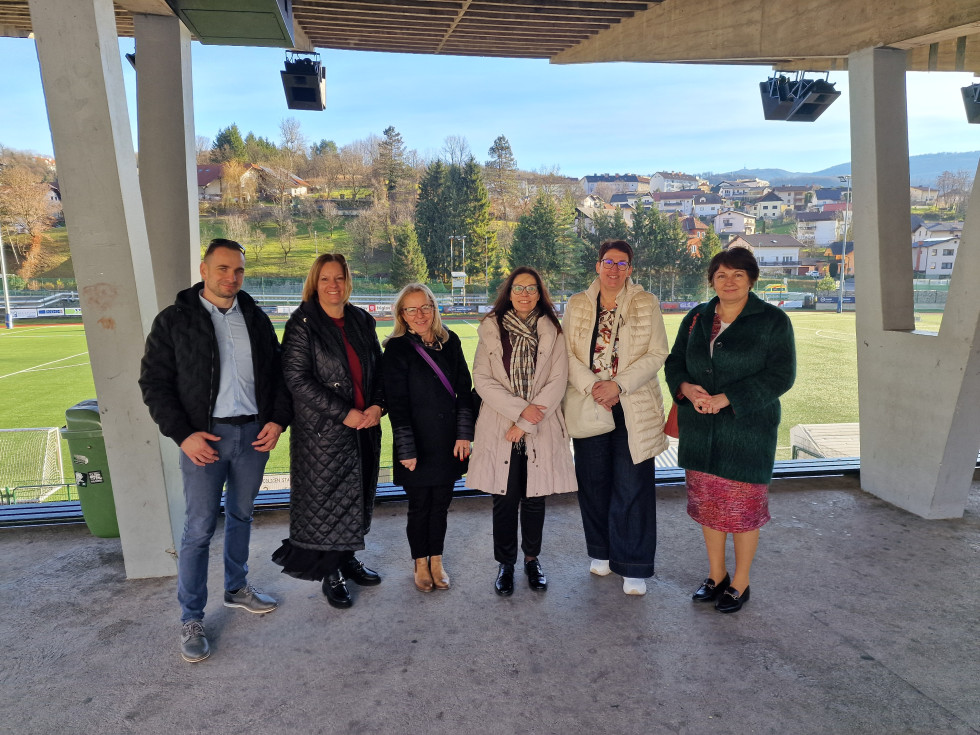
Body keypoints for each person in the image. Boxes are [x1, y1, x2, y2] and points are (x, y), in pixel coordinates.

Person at [139, 238, 292, 664]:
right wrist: (183, 435)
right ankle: (191, 617)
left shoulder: (256, 319)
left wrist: (278, 421)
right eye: (223, 269)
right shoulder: (174, 321)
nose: (232, 278)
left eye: (239, 271)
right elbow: (154, 384)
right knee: (200, 527)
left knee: (242, 515)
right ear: (204, 269)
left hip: (253, 438)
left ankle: (236, 588)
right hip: (204, 441)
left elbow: (279, 377)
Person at [664, 247, 796, 613]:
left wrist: (729, 398)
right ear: (711, 280)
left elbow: (781, 376)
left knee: (742, 510)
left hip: (747, 433)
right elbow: (675, 362)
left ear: (752, 279)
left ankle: (741, 582)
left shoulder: (772, 321)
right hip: (700, 429)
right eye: (721, 274)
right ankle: (716, 575)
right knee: (708, 506)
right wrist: (685, 388)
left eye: (738, 274)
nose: (729, 281)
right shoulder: (697, 317)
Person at [271, 253, 385, 609]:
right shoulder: (303, 322)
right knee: (327, 503)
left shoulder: (361, 320)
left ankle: (346, 558)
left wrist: (377, 406)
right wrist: (344, 413)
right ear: (315, 283)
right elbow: (296, 378)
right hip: (323, 433)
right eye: (325, 279)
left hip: (364, 427)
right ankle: (329, 571)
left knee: (358, 496)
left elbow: (379, 371)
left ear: (348, 281)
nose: (333, 285)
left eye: (338, 278)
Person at [563, 239, 670, 596]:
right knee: (593, 483)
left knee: (632, 484)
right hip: (589, 400)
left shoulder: (646, 303)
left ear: (630, 269)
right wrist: (594, 386)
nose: (614, 269)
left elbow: (657, 353)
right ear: (598, 266)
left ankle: (633, 564)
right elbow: (566, 354)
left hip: (632, 405)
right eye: (608, 262)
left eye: (622, 264)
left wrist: (617, 386)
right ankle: (601, 551)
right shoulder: (577, 304)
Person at [468, 267, 576, 596]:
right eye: (518, 288)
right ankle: (506, 564)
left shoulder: (553, 331)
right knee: (503, 500)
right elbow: (482, 380)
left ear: (540, 293)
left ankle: (531, 560)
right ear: (509, 292)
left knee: (533, 500)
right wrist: (518, 413)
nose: (525, 294)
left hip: (538, 426)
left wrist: (526, 422)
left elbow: (558, 382)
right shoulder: (491, 328)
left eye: (531, 288)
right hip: (501, 427)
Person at [382, 284, 475, 591]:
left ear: (434, 309)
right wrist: (406, 448)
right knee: (420, 506)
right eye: (411, 309)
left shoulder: (451, 341)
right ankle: (420, 564)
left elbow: (465, 390)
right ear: (402, 315)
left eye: (425, 307)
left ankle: (437, 561)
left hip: (448, 441)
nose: (419, 315)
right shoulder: (396, 348)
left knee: (441, 505)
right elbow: (396, 403)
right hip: (416, 444)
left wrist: (464, 434)